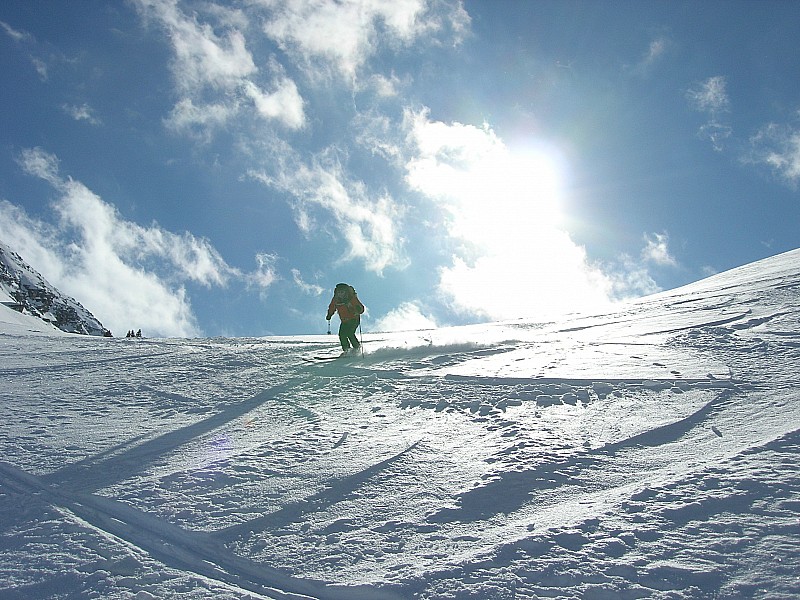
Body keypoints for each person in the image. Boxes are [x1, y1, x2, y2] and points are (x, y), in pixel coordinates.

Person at [326, 283, 365, 353]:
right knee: (342, 335)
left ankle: (357, 348)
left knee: (350, 333)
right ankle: (347, 350)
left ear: (346, 292)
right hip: (344, 321)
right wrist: (329, 315)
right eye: (339, 292)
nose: (340, 294)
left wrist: (358, 309)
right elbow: (332, 307)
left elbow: (361, 308)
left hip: (354, 319)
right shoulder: (335, 300)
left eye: (342, 292)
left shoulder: (351, 298)